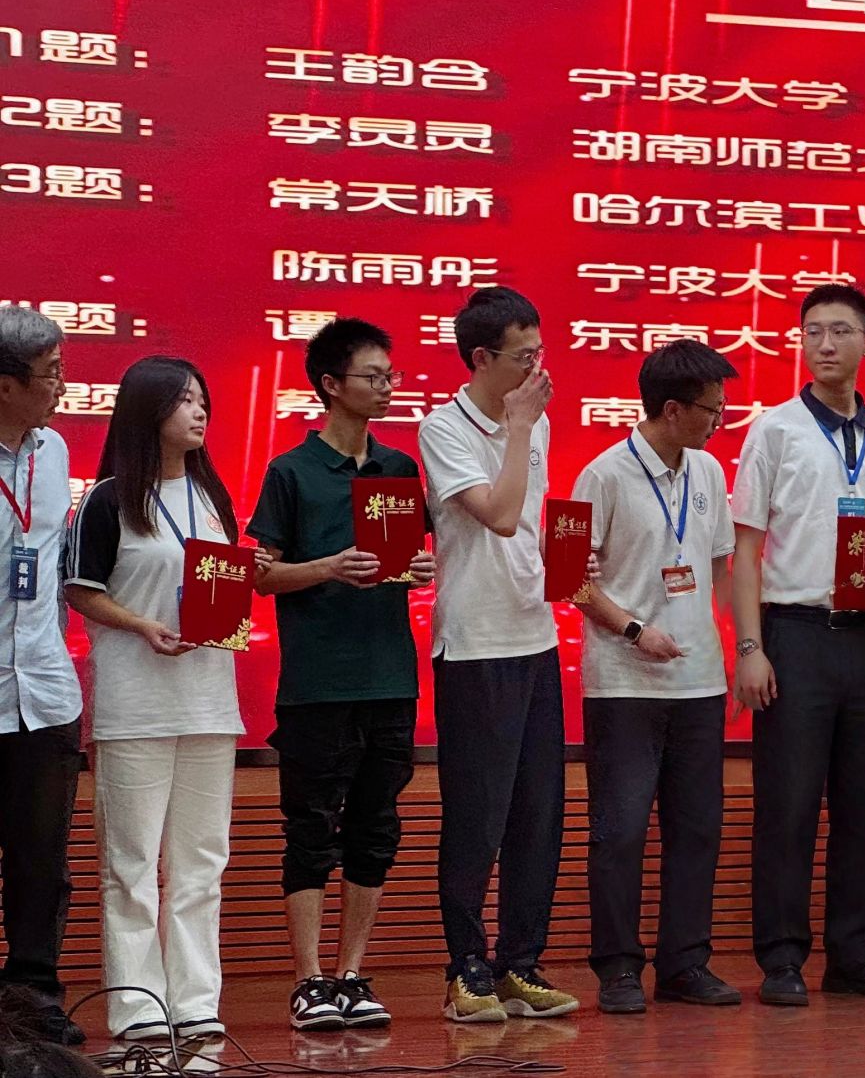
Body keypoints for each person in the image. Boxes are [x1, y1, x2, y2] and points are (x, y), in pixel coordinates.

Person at [729, 285, 865, 1007]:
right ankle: (782, 959)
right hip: (796, 634)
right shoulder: (773, 430)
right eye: (812, 331)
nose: (826, 344)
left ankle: (856, 956)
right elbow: (746, 550)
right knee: (788, 806)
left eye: (841, 331)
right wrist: (750, 645)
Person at [249, 320, 436, 1030]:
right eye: (372, 376)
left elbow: (408, 559)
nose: (387, 387)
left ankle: (353, 973)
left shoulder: (398, 468)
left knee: (376, 827)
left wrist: (418, 569)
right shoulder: (291, 471)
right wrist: (328, 567)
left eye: (390, 376)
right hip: (317, 682)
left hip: (390, 674)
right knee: (309, 828)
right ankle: (308, 980)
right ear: (330, 384)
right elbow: (261, 576)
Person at [63, 357, 247, 1043]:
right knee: (131, 864)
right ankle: (139, 1006)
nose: (200, 412)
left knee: (202, 862)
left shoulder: (213, 495)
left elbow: (224, 582)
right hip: (135, 703)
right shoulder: (108, 499)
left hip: (210, 700)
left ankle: (196, 1000)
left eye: (203, 400)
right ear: (148, 410)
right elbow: (80, 590)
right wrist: (142, 624)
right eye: (184, 401)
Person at [417, 287, 577, 1023]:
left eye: (540, 353)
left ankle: (520, 964)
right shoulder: (443, 427)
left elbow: (532, 530)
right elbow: (502, 516)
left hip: (535, 636)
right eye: (524, 357)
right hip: (475, 645)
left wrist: (571, 565)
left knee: (538, 816)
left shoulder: (531, 423)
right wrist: (518, 428)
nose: (538, 370)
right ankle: (467, 968)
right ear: (481, 358)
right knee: (477, 817)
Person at [571, 340, 740, 1014]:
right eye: (712, 411)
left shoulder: (709, 472)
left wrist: (743, 645)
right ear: (672, 410)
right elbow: (571, 581)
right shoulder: (602, 475)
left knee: (697, 830)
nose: (719, 422)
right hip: (624, 684)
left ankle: (685, 964)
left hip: (699, 684)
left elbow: (720, 567)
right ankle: (618, 969)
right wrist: (636, 630)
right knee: (620, 831)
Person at [0, 310, 84, 1047]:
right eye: (51, 374)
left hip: (46, 693)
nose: (62, 386)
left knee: (42, 862)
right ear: (6, 384)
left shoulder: (53, 451)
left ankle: (32, 999)